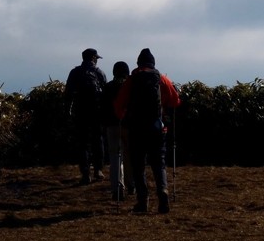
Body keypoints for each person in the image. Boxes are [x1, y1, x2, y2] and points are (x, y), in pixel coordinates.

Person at [115, 48, 181, 214]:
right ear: (153, 63)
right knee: (159, 163)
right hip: (157, 128)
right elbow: (175, 101)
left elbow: (118, 105)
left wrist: (124, 118)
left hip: (136, 129)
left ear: (138, 63)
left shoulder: (132, 80)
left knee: (138, 165)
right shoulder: (161, 79)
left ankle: (142, 201)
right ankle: (163, 193)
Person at [63, 48, 108, 185]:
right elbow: (105, 94)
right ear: (93, 58)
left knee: (83, 142)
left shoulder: (75, 72)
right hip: (96, 111)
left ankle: (85, 173)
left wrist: (68, 111)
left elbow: (68, 93)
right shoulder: (99, 73)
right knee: (98, 139)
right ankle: (98, 170)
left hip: (80, 110)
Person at [102, 60, 134, 201]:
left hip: (111, 125)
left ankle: (117, 188)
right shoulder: (130, 86)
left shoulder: (108, 87)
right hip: (128, 125)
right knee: (129, 155)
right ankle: (131, 184)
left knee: (115, 157)